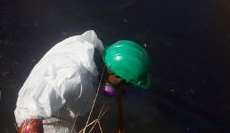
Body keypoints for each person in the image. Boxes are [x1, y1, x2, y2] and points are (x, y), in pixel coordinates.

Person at [15, 30, 151, 133]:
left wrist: (114, 89)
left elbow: (103, 82)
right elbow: (29, 114)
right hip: (47, 121)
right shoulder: (71, 78)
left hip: (62, 106)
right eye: (128, 84)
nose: (127, 88)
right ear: (116, 76)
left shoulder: (94, 52)